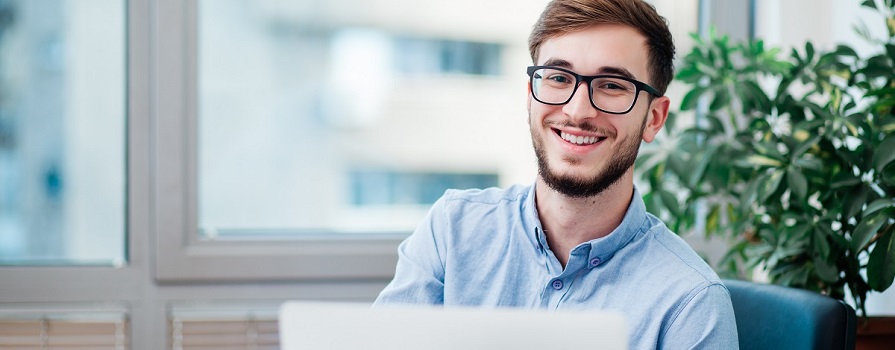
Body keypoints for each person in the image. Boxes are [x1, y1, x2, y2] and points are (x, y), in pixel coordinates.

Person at [373, 0, 739, 348]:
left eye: (612, 85)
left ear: (654, 118)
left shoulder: (691, 303)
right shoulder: (452, 231)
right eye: (559, 78)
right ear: (531, 95)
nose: (578, 111)